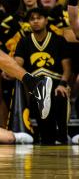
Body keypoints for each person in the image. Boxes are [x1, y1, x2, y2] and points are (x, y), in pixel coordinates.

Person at [14, 8, 72, 144]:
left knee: (60, 95)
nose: (35, 21)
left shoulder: (59, 40)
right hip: (36, 86)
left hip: (57, 84)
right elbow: (17, 65)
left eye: (39, 18)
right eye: (32, 19)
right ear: (28, 22)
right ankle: (47, 138)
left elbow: (67, 68)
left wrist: (63, 84)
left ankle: (62, 136)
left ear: (46, 20)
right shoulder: (24, 42)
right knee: (39, 99)